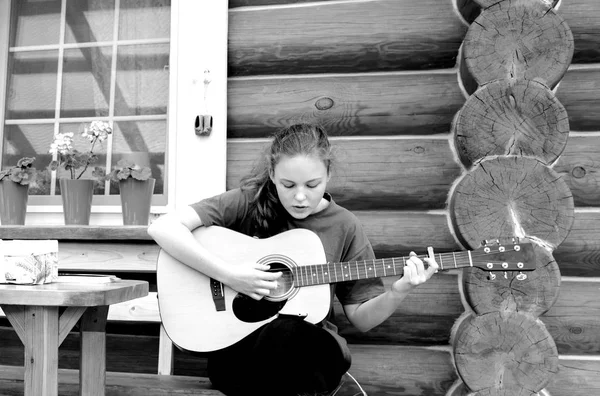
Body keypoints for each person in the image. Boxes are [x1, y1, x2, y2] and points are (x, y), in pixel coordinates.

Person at [147, 123, 438, 396]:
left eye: (312, 185)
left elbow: (361, 318)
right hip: (241, 351)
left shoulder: (344, 225)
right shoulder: (249, 201)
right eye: (288, 185)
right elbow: (163, 227)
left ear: (329, 175)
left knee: (289, 334)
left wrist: (400, 291)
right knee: (272, 342)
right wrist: (230, 275)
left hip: (310, 355)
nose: (300, 197)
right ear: (272, 174)